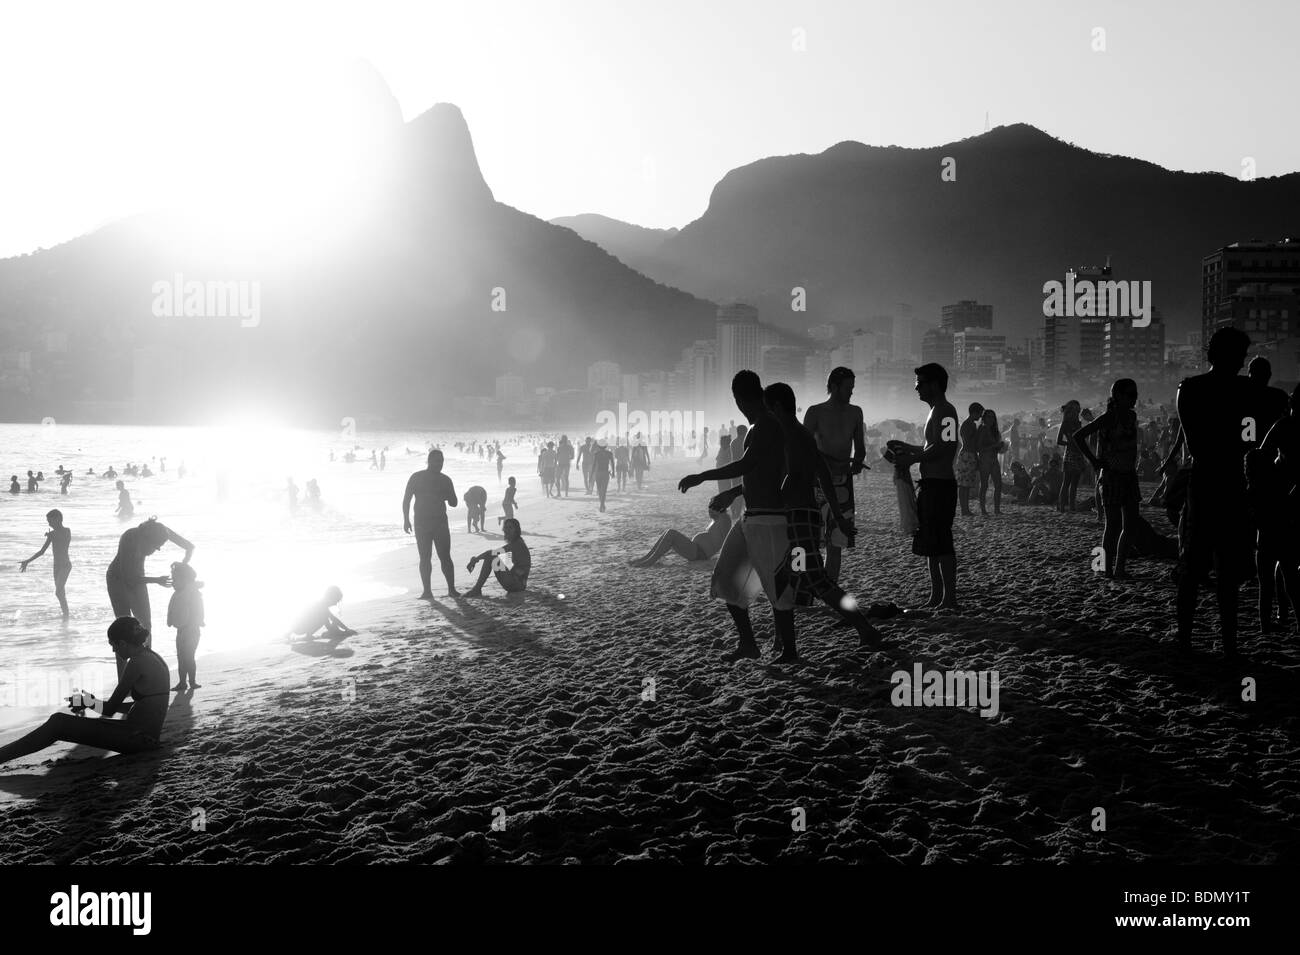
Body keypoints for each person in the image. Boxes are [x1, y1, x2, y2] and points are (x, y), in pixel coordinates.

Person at [765, 382, 882, 653]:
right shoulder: (801, 435)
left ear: (777, 408)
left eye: (768, 409)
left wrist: (838, 516)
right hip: (802, 515)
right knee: (787, 575)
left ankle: (866, 629)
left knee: (817, 581)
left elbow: (803, 476)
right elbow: (823, 476)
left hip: (799, 517)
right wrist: (838, 516)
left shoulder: (791, 436)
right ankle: (782, 641)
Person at [1174, 327, 1256, 656]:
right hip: (1226, 480)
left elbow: (1196, 442)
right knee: (1223, 569)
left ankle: (1186, 640)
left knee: (1197, 565)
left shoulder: (1191, 389)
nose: (1241, 361)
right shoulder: (1244, 390)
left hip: (1207, 478)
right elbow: (1249, 437)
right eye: (1239, 354)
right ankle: (1228, 644)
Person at [0, 618, 171, 766]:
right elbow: (142, 706)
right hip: (142, 735)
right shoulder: (152, 656)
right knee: (59, 722)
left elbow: (110, 709)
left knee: (58, 723)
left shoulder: (136, 662)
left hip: (137, 738)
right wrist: (89, 701)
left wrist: (87, 701)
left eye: (113, 645)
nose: (114, 651)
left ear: (123, 643)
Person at [891, 363, 960, 609]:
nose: (916, 387)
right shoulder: (935, 411)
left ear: (934, 384)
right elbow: (933, 447)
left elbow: (946, 447)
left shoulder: (946, 411)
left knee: (941, 542)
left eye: (920, 383)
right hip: (931, 484)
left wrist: (911, 458)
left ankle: (949, 598)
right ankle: (936, 596)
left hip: (941, 485)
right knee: (931, 543)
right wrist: (907, 448)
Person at [106, 518, 195, 679]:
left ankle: (146, 671)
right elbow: (128, 577)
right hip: (117, 580)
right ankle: (123, 680)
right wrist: (156, 580)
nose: (157, 549)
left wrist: (183, 565)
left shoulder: (160, 530)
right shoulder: (130, 537)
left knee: (146, 626)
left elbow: (189, 547)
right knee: (122, 630)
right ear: (147, 538)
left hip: (138, 579)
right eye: (155, 546)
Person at [802, 366, 867, 584]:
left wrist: (857, 462)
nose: (851, 393)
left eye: (853, 388)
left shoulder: (855, 412)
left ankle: (830, 587)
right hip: (816, 483)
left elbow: (860, 446)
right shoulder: (815, 412)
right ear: (833, 387)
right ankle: (804, 585)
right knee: (807, 541)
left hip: (843, 483)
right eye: (848, 388)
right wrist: (830, 461)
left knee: (836, 542)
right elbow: (804, 448)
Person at [1076, 379, 1141, 579]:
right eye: (1131, 394)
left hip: (1129, 475)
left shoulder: (1132, 416)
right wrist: (1094, 461)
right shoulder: (1108, 418)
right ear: (1119, 396)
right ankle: (1105, 567)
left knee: (1130, 525)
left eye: (1135, 393)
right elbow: (1079, 436)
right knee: (1112, 526)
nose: (1134, 398)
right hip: (1111, 476)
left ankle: (1120, 567)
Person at [1255, 381, 1300, 633]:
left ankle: (1276, 616)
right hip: (1285, 503)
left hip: (1279, 501)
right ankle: (1285, 613)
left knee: (1279, 565)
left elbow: (1260, 456)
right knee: (1289, 566)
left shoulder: (1283, 425)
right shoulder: (1283, 426)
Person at [402, 449, 459, 599]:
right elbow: (406, 499)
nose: (439, 464)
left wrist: (445, 494)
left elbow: (454, 502)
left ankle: (452, 589)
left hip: (440, 521)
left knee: (445, 556)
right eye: (436, 461)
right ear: (429, 461)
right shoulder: (416, 477)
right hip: (421, 522)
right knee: (424, 557)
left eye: (441, 461)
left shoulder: (445, 480)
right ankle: (427, 591)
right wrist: (406, 519)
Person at [629, 505, 733, 566]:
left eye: (711, 508)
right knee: (667, 532)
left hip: (699, 553)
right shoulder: (717, 519)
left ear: (719, 509)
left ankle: (650, 561)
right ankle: (646, 558)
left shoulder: (724, 519)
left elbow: (726, 538)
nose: (709, 511)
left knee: (671, 533)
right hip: (696, 550)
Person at [20, 508, 72, 618]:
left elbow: (64, 539)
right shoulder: (52, 535)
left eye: (50, 521)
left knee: (58, 592)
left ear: (58, 519)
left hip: (65, 565)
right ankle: (66, 615)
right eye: (48, 521)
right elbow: (42, 552)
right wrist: (27, 561)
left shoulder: (67, 531)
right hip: (56, 567)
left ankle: (66, 615)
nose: (49, 523)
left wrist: (52, 535)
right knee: (60, 593)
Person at [465, 518, 530, 596]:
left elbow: (491, 553)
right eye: (505, 527)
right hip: (518, 583)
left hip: (517, 584)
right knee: (494, 557)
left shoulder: (517, 544)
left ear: (516, 530)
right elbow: (499, 554)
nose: (507, 530)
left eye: (510, 528)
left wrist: (475, 560)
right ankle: (477, 589)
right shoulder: (516, 542)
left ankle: (477, 589)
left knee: (491, 557)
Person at [167, 562, 204, 691]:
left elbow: (198, 609)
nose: (173, 582)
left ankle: (192, 682)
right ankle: (182, 682)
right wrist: (170, 619)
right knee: (181, 657)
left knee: (188, 657)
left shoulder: (193, 593)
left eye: (175, 579)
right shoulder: (178, 593)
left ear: (185, 580)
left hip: (192, 630)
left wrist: (198, 621)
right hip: (181, 631)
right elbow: (172, 608)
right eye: (173, 579)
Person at [287, 586, 357, 641]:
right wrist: (346, 629)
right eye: (336, 600)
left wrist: (346, 629)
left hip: (295, 628)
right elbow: (332, 619)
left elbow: (332, 619)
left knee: (326, 618)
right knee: (324, 618)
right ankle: (310, 635)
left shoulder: (321, 604)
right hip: (299, 628)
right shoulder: (321, 605)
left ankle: (332, 632)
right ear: (331, 598)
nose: (336, 604)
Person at [956, 403, 984, 517]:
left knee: (965, 485)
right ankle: (964, 510)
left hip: (967, 454)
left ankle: (965, 509)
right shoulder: (969, 425)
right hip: (968, 455)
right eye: (980, 414)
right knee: (964, 485)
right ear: (975, 412)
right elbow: (969, 442)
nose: (980, 416)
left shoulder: (968, 424)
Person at [1056, 400, 1085, 512]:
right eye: (1076, 410)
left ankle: (1070, 506)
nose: (1077, 412)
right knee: (1067, 482)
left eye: (1078, 410)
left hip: (1077, 453)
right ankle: (1062, 506)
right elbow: (1058, 441)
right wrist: (1070, 443)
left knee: (1073, 483)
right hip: (1070, 454)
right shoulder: (1066, 423)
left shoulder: (1077, 423)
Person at [976, 408, 1003, 516]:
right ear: (984, 418)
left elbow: (993, 447)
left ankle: (997, 509)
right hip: (985, 460)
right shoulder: (982, 429)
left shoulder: (994, 430)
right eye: (989, 417)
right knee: (984, 485)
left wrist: (999, 447)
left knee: (998, 485)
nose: (991, 419)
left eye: (992, 417)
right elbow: (978, 447)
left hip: (994, 459)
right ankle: (983, 510)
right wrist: (995, 446)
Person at [592, 438, 615, 512]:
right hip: (605, 473)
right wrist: (613, 472)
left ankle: (602, 504)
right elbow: (612, 464)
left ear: (598, 446)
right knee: (604, 490)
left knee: (599, 490)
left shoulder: (596, 454)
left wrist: (591, 474)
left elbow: (594, 465)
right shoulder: (609, 453)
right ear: (605, 446)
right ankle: (602, 504)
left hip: (598, 473)